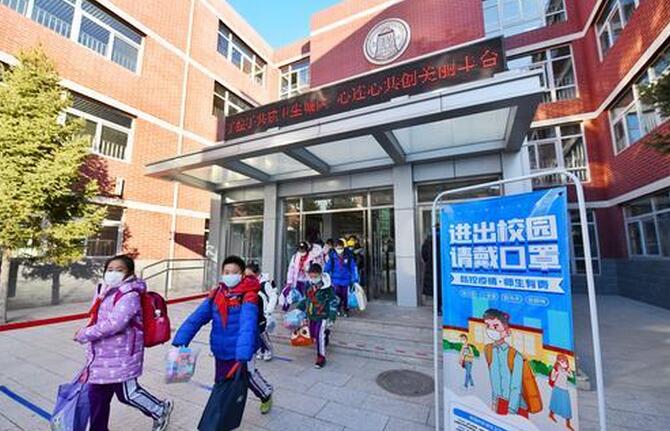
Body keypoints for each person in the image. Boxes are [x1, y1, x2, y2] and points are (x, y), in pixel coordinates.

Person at [74, 254, 173, 431]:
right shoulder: (103, 289)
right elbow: (97, 317)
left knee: (127, 394)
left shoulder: (130, 294)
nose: (113, 273)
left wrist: (85, 334)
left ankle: (160, 410)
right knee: (97, 397)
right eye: (110, 269)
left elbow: (115, 324)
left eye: (119, 270)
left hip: (122, 355)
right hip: (101, 353)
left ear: (130, 273)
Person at [172, 256, 274, 417]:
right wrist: (182, 338)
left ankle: (266, 393)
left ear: (242, 275)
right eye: (227, 272)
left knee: (248, 375)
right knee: (221, 380)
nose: (230, 275)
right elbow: (197, 317)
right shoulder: (216, 294)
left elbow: (248, 324)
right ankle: (223, 411)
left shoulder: (248, 296)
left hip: (242, 348)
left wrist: (243, 352)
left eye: (234, 272)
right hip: (220, 348)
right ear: (222, 273)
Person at [482, 308, 541, 418]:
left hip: (517, 407)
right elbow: (494, 380)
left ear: (507, 331)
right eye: (488, 326)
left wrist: (511, 412)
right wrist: (494, 403)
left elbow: (516, 387)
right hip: (499, 402)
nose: (491, 330)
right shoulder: (488, 350)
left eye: (495, 326)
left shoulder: (515, 356)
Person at [296, 263, 339, 369]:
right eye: (311, 276)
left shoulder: (328, 288)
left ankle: (321, 358)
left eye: (315, 276)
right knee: (313, 335)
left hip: (322, 315)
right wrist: (299, 309)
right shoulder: (308, 285)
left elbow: (333, 302)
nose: (313, 279)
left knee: (319, 336)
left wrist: (332, 317)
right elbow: (306, 298)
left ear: (320, 275)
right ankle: (326, 334)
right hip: (311, 314)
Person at [245, 262, 277, 361]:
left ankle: (268, 350)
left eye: (250, 275)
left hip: (263, 313)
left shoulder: (264, 284)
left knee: (262, 333)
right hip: (252, 311)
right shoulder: (247, 283)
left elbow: (273, 296)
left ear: (257, 273)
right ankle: (260, 350)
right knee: (255, 332)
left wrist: (268, 311)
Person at [324, 239, 358, 317]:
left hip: (346, 280)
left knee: (345, 296)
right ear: (335, 248)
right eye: (338, 248)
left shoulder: (348, 256)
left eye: (341, 248)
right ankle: (338, 309)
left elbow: (353, 268)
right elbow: (327, 268)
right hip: (335, 280)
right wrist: (325, 275)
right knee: (337, 296)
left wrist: (355, 278)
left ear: (343, 247)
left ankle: (345, 309)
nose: (340, 250)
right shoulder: (332, 257)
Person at [283, 241, 314, 310]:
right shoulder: (295, 257)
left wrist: (306, 269)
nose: (301, 251)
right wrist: (289, 281)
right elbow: (291, 270)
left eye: (303, 249)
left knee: (307, 297)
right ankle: (299, 309)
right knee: (297, 296)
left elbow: (313, 269)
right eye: (300, 249)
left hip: (307, 280)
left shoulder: (311, 257)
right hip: (298, 280)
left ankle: (306, 310)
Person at [548, 354, 575, 430]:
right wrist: (556, 373)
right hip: (557, 388)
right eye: (562, 360)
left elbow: (571, 376)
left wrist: (568, 369)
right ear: (558, 361)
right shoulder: (555, 369)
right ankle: (551, 415)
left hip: (564, 389)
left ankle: (568, 424)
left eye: (565, 361)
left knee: (566, 407)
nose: (564, 362)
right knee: (555, 403)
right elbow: (552, 379)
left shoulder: (565, 369)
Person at [421, 231, 442, 313]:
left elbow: (424, 253)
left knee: (435, 288)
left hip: (432, 266)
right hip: (443, 267)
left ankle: (437, 307)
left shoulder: (429, 239)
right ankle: (442, 306)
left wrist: (428, 261)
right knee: (442, 287)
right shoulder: (446, 236)